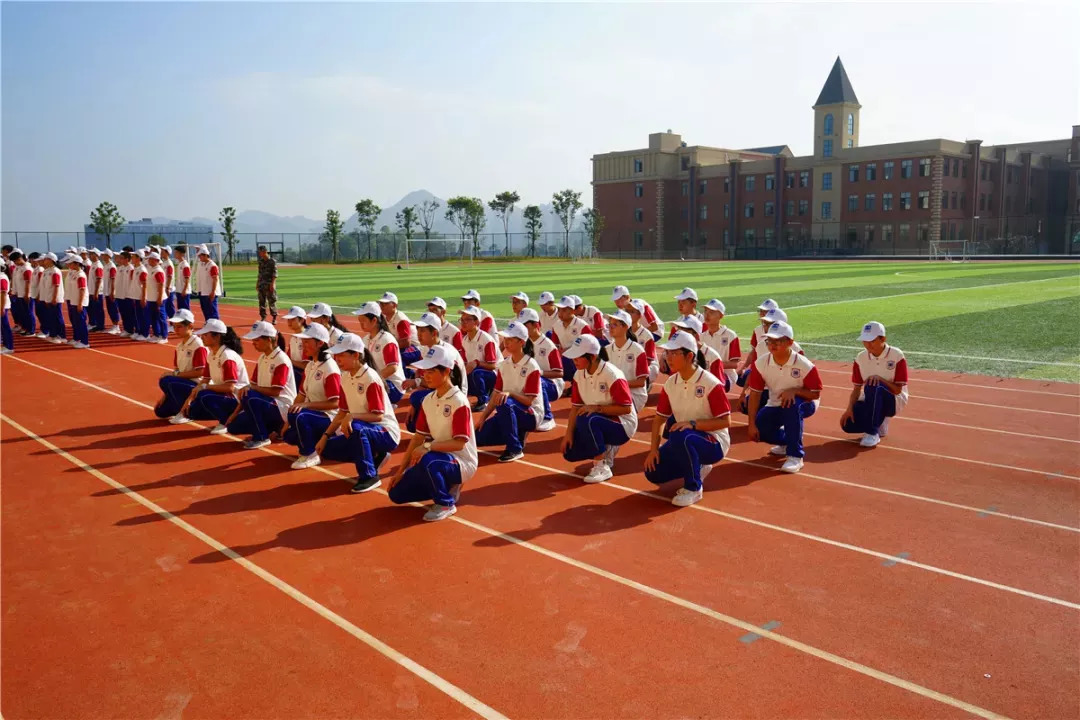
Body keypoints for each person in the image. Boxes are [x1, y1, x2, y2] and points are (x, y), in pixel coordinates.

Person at [388, 345, 477, 522]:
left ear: (446, 371)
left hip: (461, 461)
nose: (425, 375)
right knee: (396, 494)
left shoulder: (459, 402)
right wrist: (401, 471)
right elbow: (418, 437)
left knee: (428, 460)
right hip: (438, 456)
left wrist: (427, 447)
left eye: (431, 371)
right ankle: (443, 484)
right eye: (424, 371)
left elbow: (459, 444)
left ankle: (445, 503)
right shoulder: (428, 400)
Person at [644, 332, 732, 507]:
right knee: (653, 472)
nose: (668, 358)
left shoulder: (710, 383)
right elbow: (659, 419)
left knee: (680, 435)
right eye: (667, 353)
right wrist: (653, 450)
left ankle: (693, 488)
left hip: (714, 442)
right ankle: (697, 466)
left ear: (690, 355)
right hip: (688, 438)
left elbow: (725, 421)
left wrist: (693, 424)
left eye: (674, 353)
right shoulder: (671, 383)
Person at [313, 332, 401, 493]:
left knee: (357, 428)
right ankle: (375, 456)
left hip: (385, 432)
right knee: (327, 448)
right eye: (336, 355)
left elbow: (378, 415)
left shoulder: (370, 378)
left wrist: (352, 416)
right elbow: (342, 411)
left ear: (356, 355)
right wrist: (325, 436)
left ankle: (369, 476)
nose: (337, 359)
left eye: (341, 355)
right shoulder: (346, 377)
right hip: (364, 428)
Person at [746, 320, 822, 474]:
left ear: (790, 342)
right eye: (770, 340)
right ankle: (788, 442)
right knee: (761, 428)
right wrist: (751, 424)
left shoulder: (804, 365)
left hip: (806, 402)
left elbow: (815, 393)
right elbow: (754, 394)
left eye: (778, 341)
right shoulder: (761, 364)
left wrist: (795, 391)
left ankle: (795, 456)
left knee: (792, 405)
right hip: (776, 402)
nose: (772, 344)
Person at [560, 334, 638, 483]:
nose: (573, 360)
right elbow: (575, 408)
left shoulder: (612, 375)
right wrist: (568, 434)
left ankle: (602, 466)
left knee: (587, 419)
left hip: (623, 425)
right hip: (598, 419)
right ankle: (605, 447)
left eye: (578, 357)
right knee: (570, 452)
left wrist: (597, 408)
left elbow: (626, 409)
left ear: (593, 356)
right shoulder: (578, 375)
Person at [475, 321, 548, 462]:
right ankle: (515, 432)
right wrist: (483, 418)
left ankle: (515, 448)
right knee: (477, 437)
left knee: (505, 403)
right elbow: (496, 393)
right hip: (509, 409)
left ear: (521, 342)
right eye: (505, 339)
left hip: (531, 413)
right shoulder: (504, 365)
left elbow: (529, 401)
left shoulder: (532, 366)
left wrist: (510, 393)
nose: (506, 342)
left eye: (510, 339)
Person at [222, 321, 297, 449]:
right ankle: (273, 428)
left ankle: (261, 436)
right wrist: (234, 414)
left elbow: (275, 392)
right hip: (267, 403)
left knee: (250, 395)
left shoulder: (281, 360)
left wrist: (251, 389)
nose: (253, 343)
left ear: (268, 340)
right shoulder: (262, 358)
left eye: (256, 340)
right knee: (233, 426)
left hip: (282, 406)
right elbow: (251, 388)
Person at [283, 323, 344, 469]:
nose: (303, 345)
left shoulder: (330, 368)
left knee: (299, 416)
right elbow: (301, 394)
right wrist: (286, 420)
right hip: (315, 414)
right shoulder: (311, 365)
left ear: (320, 343)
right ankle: (319, 443)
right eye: (303, 341)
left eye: (307, 341)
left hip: (329, 417)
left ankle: (310, 454)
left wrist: (305, 406)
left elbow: (335, 403)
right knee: (289, 434)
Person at [840, 321, 908, 448]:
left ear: (883, 339)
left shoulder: (896, 355)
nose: (867, 344)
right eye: (864, 341)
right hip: (871, 397)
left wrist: (881, 380)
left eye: (871, 340)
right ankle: (879, 422)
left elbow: (898, 390)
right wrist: (849, 408)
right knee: (848, 424)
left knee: (873, 385)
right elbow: (857, 388)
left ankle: (872, 432)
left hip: (894, 400)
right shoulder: (860, 358)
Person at [174, 320, 250, 432]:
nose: (202, 337)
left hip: (236, 398)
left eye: (205, 334)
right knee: (192, 411)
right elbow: (205, 379)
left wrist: (205, 387)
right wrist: (189, 399)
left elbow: (230, 387)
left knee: (205, 395)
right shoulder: (212, 354)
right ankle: (225, 417)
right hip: (224, 394)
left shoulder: (227, 357)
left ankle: (225, 422)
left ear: (217, 336)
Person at [401, 312, 468, 433]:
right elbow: (425, 377)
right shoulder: (427, 349)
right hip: (437, 389)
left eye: (422, 331)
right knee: (412, 425)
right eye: (417, 330)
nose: (418, 334)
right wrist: (413, 407)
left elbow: (447, 382)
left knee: (417, 398)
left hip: (453, 392)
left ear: (434, 333)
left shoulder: (446, 352)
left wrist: (416, 382)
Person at [737, 307, 804, 413]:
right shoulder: (760, 346)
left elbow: (804, 380)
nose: (766, 327)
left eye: (770, 323)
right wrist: (743, 392)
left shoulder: (796, 349)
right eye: (765, 323)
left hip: (788, 391)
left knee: (791, 407)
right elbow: (754, 371)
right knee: (747, 406)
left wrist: (793, 391)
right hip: (767, 389)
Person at [155, 309, 210, 420]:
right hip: (183, 383)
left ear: (190, 326)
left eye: (179, 326)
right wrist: (165, 395)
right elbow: (177, 369)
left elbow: (201, 372)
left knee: (166, 380)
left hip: (197, 386)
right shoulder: (179, 346)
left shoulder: (198, 346)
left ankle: (187, 413)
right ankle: (182, 406)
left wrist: (174, 375)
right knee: (160, 411)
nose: (176, 330)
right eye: (174, 326)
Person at [353, 301, 405, 403]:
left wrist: (371, 380)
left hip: (393, 385)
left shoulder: (386, 339)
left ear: (374, 320)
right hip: (377, 380)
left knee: (361, 396)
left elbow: (392, 367)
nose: (361, 323)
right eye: (360, 320)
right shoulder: (365, 339)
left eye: (363, 320)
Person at [601, 310, 650, 413]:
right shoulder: (606, 350)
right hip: (613, 393)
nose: (610, 328)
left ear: (625, 327)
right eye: (610, 324)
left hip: (634, 395)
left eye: (615, 325)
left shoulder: (638, 350)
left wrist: (618, 385)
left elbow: (641, 382)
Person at [520, 308, 562, 420]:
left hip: (553, 385)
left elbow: (559, 373)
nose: (523, 329)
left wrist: (539, 373)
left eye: (525, 326)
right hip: (532, 382)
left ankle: (547, 416)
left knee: (537, 380)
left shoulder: (548, 346)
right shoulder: (523, 343)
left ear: (536, 324)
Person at [459, 305, 501, 411]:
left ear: (477, 322)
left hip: (496, 376)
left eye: (467, 319)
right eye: (462, 320)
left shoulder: (486, 339)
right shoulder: (464, 340)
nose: (463, 322)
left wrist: (476, 363)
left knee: (476, 373)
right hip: (480, 373)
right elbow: (465, 362)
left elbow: (493, 365)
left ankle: (483, 401)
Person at [550, 295, 593, 385]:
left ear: (573, 311)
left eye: (564, 310)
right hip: (565, 356)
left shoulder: (582, 326)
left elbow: (589, 347)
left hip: (580, 357)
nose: (560, 313)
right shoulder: (556, 326)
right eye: (559, 310)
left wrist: (570, 350)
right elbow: (555, 344)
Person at [699, 299, 741, 391]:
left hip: (725, 375)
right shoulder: (701, 336)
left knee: (711, 384)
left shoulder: (731, 335)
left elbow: (734, 364)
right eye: (705, 311)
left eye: (712, 312)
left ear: (721, 316)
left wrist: (713, 365)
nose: (707, 314)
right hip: (707, 373)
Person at [378, 291, 420, 365]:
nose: (382, 306)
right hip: (403, 346)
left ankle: (404, 375)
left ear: (394, 305)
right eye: (381, 303)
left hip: (416, 348)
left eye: (385, 304)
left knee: (395, 356)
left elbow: (406, 342)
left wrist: (388, 347)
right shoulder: (384, 317)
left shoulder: (401, 320)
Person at [626, 299, 659, 382]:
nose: (629, 314)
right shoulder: (623, 332)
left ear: (640, 315)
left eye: (632, 312)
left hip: (648, 367)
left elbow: (648, 361)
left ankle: (645, 385)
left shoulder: (647, 336)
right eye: (627, 311)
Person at [63, 255, 90, 349]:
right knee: (75, 321)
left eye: (71, 263)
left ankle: (85, 341)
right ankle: (77, 338)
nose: (69, 265)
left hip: (79, 302)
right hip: (73, 300)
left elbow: (82, 290)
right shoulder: (75, 273)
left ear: (77, 264)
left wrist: (80, 303)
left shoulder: (81, 275)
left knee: (81, 322)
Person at [281, 305, 310, 387]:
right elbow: (288, 358)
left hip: (302, 375)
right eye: (288, 320)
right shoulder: (293, 337)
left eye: (292, 319)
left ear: (302, 320)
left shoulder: (306, 338)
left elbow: (306, 365)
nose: (289, 322)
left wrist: (289, 361)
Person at [40, 253, 66, 344]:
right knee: (51, 317)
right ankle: (53, 334)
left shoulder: (55, 271)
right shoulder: (46, 271)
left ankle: (62, 336)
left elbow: (56, 285)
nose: (44, 260)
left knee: (57, 317)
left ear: (51, 260)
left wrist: (54, 298)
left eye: (46, 259)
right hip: (48, 297)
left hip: (54, 298)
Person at [144, 252, 169, 343]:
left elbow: (161, 285)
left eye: (150, 259)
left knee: (161, 317)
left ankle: (164, 336)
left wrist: (159, 298)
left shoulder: (158, 271)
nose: (149, 261)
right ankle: (156, 334)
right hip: (151, 298)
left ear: (156, 260)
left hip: (158, 298)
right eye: (149, 259)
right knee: (153, 317)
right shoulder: (151, 269)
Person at [9, 251, 34, 337]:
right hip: (19, 293)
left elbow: (28, 282)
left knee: (28, 312)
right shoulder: (18, 267)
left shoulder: (27, 269)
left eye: (15, 261)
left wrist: (27, 294)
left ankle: (31, 330)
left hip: (26, 294)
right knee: (23, 312)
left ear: (19, 259)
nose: (15, 263)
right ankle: (25, 328)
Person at [195, 244, 221, 320]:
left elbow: (215, 279)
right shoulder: (202, 264)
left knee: (212, 311)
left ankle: (215, 327)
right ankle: (208, 324)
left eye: (200, 256)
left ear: (205, 255)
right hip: (203, 291)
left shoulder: (212, 265)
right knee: (206, 310)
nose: (199, 257)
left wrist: (213, 291)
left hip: (210, 292)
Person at [100, 249, 122, 334]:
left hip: (110, 291)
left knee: (113, 309)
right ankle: (114, 325)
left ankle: (116, 326)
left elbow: (113, 280)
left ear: (109, 256)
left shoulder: (112, 267)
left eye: (104, 255)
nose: (102, 256)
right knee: (110, 309)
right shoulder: (106, 265)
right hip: (106, 291)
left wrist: (112, 291)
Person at [256, 245, 278, 323]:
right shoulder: (261, 261)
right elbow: (259, 274)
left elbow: (275, 274)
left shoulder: (272, 261)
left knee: (271, 301)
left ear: (265, 251)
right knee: (261, 302)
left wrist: (272, 284)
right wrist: (257, 283)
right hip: (261, 284)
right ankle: (263, 317)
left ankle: (274, 317)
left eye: (260, 252)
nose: (259, 253)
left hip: (269, 284)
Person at [29, 253, 48, 340]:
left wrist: (39, 295)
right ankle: (44, 329)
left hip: (40, 296)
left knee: (43, 313)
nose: (31, 261)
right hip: (36, 295)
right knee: (39, 313)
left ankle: (46, 330)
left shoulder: (40, 270)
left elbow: (41, 284)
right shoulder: (36, 269)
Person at [86, 249, 105, 332]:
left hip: (97, 292)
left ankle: (100, 326)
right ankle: (96, 324)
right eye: (90, 254)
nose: (90, 255)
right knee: (93, 309)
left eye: (92, 254)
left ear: (97, 255)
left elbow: (99, 279)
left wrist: (96, 292)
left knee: (98, 309)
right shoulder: (93, 264)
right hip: (92, 291)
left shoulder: (98, 266)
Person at [173, 245, 193, 311]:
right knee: (180, 310)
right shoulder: (179, 264)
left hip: (184, 291)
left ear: (182, 254)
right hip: (179, 290)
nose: (175, 254)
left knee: (185, 310)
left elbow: (187, 278)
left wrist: (184, 290)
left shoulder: (185, 265)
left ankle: (187, 321)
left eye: (176, 252)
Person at [0, 258, 12, 354]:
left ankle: (9, 346)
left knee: (5, 326)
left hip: (2, 305)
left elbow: (3, 293)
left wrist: (2, 307)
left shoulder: (2, 278)